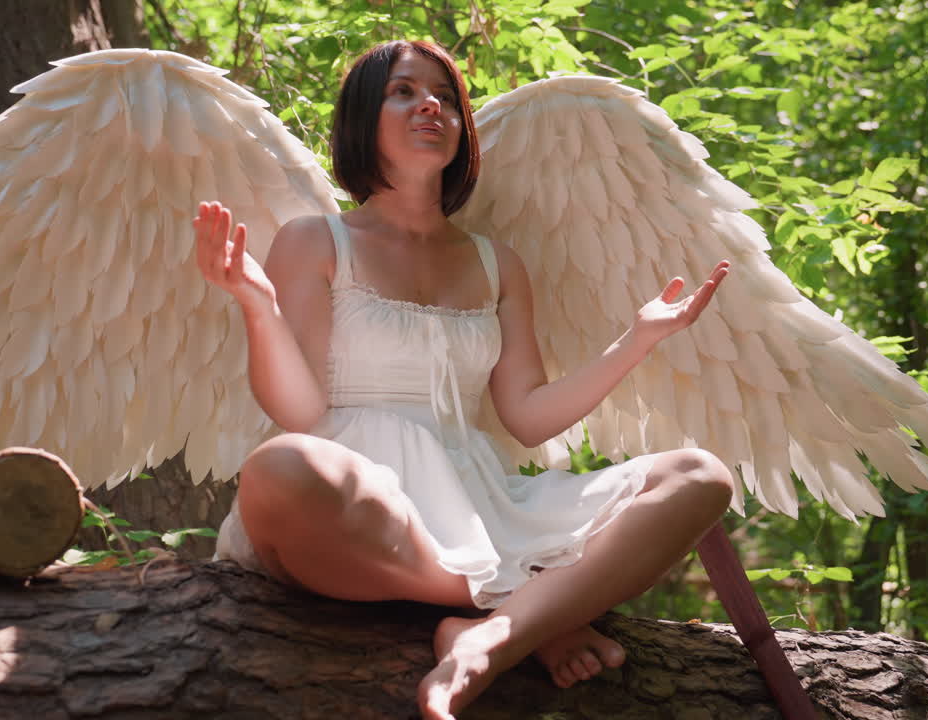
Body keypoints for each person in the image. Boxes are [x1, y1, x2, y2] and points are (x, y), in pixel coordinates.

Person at [196, 39, 734, 719]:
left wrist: (638, 340)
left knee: (699, 476)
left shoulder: (496, 263)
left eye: (445, 97)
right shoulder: (314, 239)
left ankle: (489, 639)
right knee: (280, 467)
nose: (431, 105)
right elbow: (300, 411)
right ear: (362, 118)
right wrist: (257, 303)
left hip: (478, 503)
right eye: (403, 91)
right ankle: (534, 612)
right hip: (355, 505)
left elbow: (527, 416)